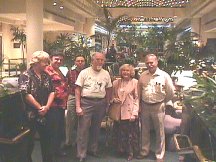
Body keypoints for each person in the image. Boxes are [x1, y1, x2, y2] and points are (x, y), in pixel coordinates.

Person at [137, 54, 175, 161]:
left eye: (151, 62)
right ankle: (144, 151)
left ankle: (159, 155)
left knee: (160, 132)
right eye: (147, 63)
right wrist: (139, 105)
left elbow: (171, 92)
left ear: (156, 62)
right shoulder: (143, 75)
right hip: (145, 105)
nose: (149, 65)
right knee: (144, 130)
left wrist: (163, 101)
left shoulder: (164, 76)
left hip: (158, 106)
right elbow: (139, 91)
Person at [75, 52, 112, 162]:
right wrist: (78, 106)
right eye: (98, 59)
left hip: (100, 103)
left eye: (102, 60)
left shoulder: (106, 73)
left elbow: (109, 88)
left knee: (96, 128)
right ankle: (81, 153)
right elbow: (77, 89)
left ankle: (93, 149)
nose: (100, 62)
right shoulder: (84, 72)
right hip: (86, 102)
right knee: (83, 129)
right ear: (92, 60)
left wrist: (108, 102)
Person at [18, 51, 55, 162]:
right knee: (28, 144)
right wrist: (40, 108)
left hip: (45, 113)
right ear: (36, 62)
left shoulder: (46, 75)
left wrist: (46, 107)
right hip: (30, 115)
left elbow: (52, 91)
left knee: (47, 142)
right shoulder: (25, 75)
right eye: (45, 62)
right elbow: (26, 94)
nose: (47, 64)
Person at [111, 64, 139, 161]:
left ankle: (131, 152)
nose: (125, 72)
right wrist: (113, 99)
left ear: (131, 72)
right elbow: (112, 95)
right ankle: (120, 150)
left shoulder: (135, 82)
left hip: (130, 112)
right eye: (123, 70)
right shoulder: (116, 82)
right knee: (119, 132)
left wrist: (134, 113)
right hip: (119, 112)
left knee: (131, 134)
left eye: (128, 70)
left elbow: (137, 99)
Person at [45, 50, 69, 158]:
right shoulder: (47, 71)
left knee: (59, 128)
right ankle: (51, 153)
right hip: (52, 105)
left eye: (60, 59)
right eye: (56, 59)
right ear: (51, 59)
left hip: (61, 104)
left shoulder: (59, 70)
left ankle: (57, 149)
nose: (58, 61)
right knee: (53, 129)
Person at [64, 55, 85, 148]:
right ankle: (68, 141)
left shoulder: (88, 72)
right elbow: (65, 85)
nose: (80, 62)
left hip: (84, 98)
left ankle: (79, 142)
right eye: (78, 61)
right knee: (70, 120)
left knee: (82, 121)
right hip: (72, 97)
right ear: (75, 62)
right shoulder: (70, 72)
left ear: (85, 62)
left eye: (82, 61)